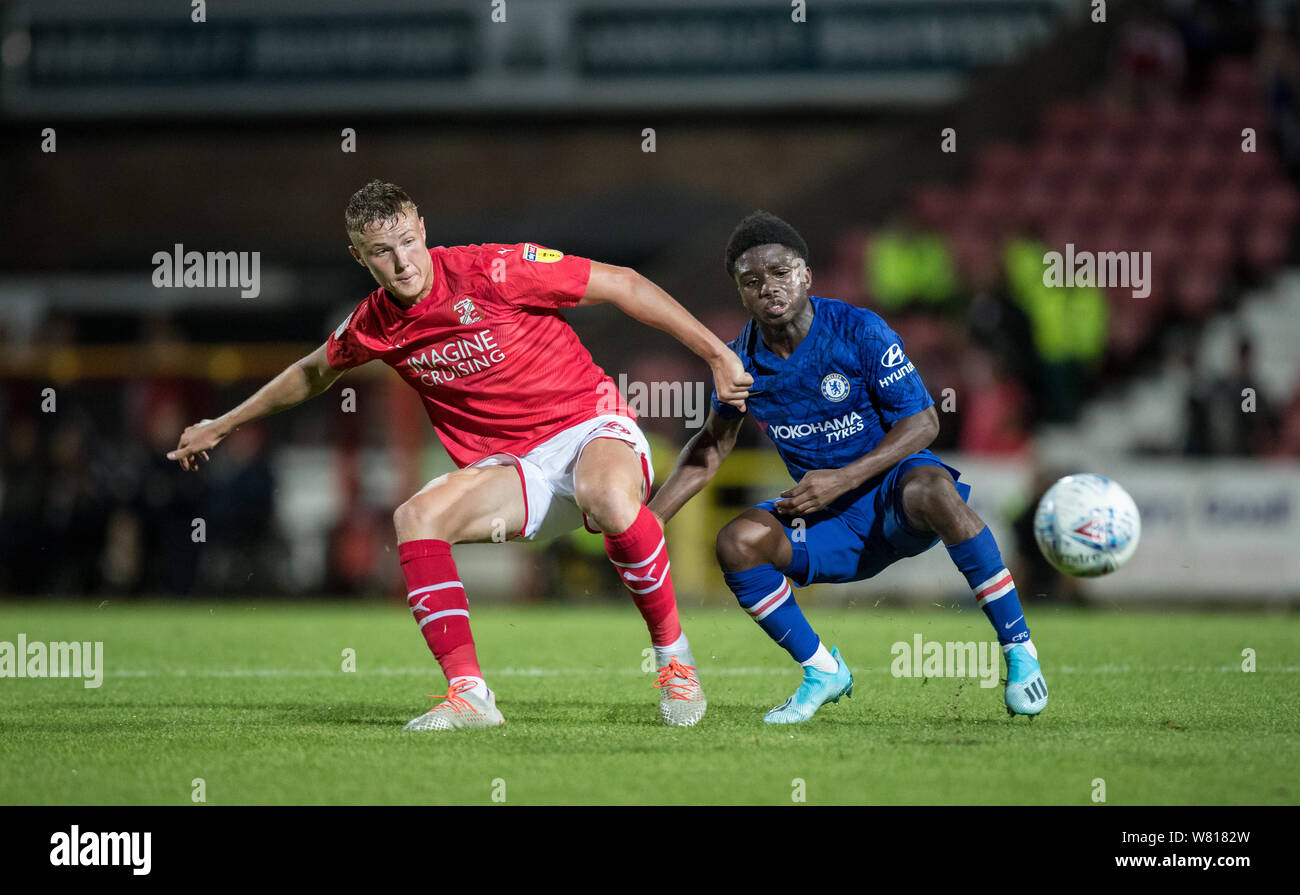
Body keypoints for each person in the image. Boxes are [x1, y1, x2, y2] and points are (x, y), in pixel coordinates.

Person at [168, 180, 752, 731]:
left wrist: (717, 356)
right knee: (415, 518)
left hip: (588, 428)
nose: (403, 263)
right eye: (381, 253)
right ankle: (470, 695)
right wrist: (223, 424)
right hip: (511, 471)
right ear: (359, 258)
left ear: (423, 228)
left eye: (407, 242)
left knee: (604, 495)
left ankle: (674, 662)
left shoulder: (494, 269)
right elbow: (313, 373)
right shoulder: (374, 322)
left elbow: (623, 283)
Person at [648, 211, 1047, 723]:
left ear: (807, 276)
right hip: (829, 521)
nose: (769, 287)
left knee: (935, 488)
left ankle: (1020, 650)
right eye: (752, 281)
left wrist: (843, 478)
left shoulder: (859, 330)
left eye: (781, 272)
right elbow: (712, 448)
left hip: (895, 496)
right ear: (740, 293)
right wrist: (648, 523)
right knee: (737, 542)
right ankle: (822, 671)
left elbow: (924, 423)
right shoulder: (738, 364)